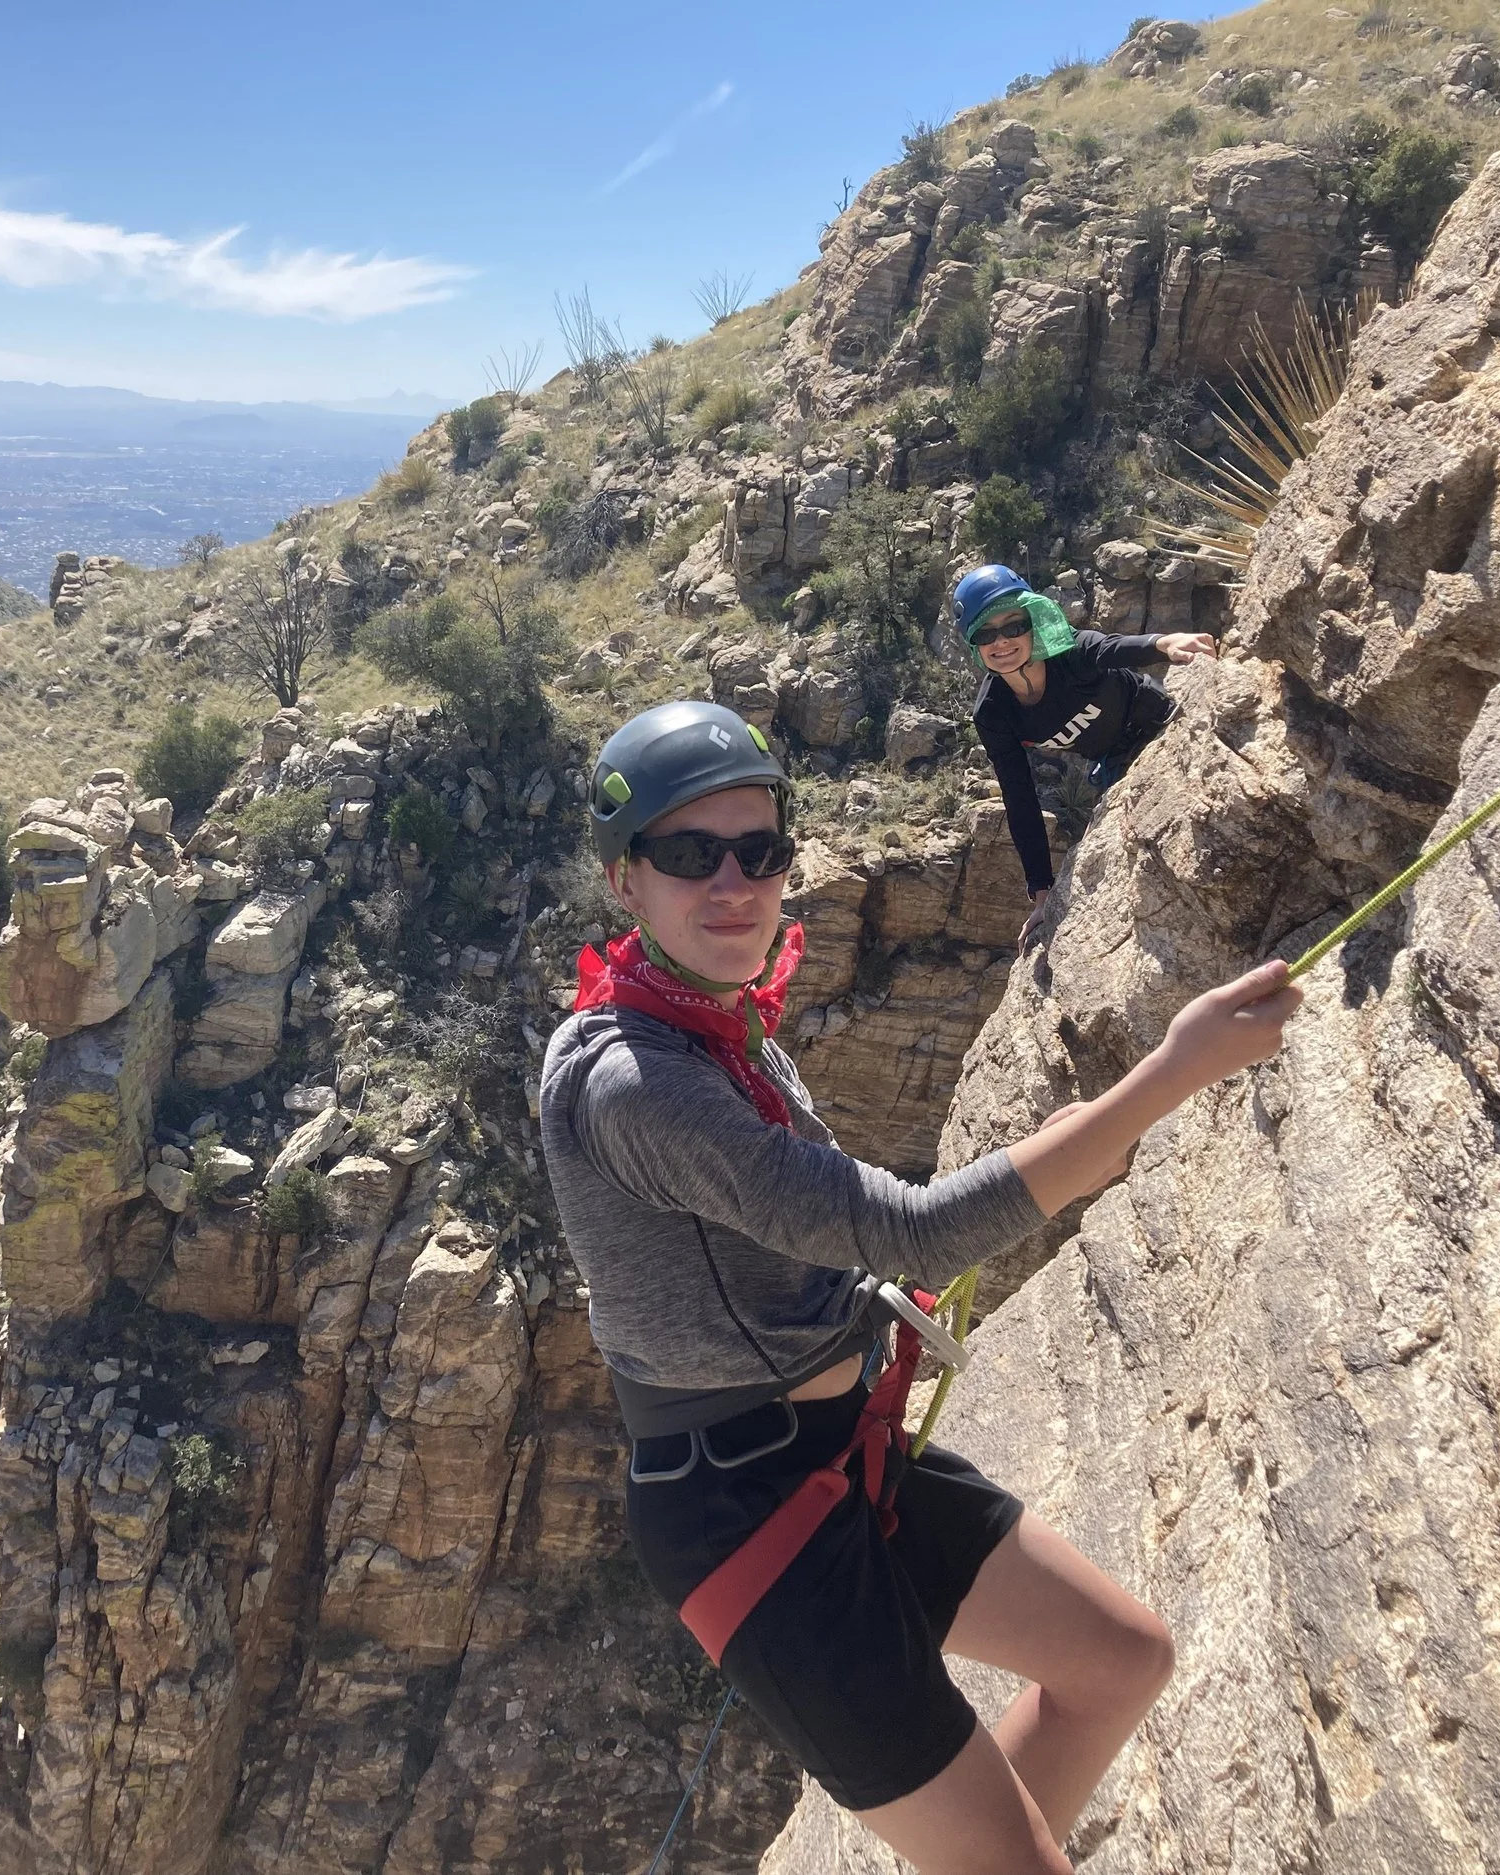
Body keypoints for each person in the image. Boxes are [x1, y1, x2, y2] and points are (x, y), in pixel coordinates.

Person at [540, 699, 1299, 1875]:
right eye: (690, 854)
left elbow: (817, 1229)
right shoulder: (640, 1080)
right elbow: (915, 1232)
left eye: (760, 850)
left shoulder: (709, 1022)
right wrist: (1170, 1073)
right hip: (747, 1522)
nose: (733, 881)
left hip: (832, 1451)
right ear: (624, 882)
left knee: (1118, 1661)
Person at [956, 564, 1218, 946]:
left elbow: (1108, 647)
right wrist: (1042, 891)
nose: (1002, 642)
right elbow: (1019, 797)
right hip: (1117, 764)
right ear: (974, 643)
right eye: (986, 633)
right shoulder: (994, 713)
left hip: (1160, 723)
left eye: (1014, 627)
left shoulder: (1069, 653)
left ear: (1032, 623)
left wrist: (1162, 643)